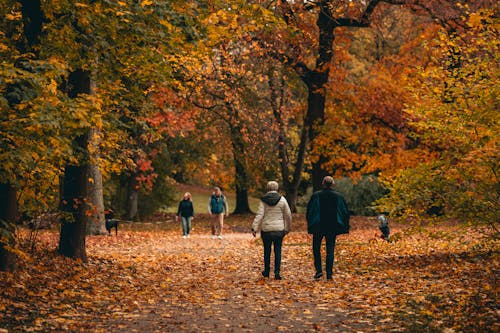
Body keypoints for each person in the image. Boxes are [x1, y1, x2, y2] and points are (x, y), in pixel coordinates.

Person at [306, 176, 350, 280]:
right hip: (332, 226)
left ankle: (319, 270)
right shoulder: (338, 197)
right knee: (330, 249)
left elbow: (310, 211)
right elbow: (345, 212)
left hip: (318, 226)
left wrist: (310, 223)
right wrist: (345, 225)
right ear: (333, 184)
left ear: (323, 183)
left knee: (316, 248)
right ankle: (329, 274)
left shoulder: (316, 196)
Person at [252, 181, 292, 280]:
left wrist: (254, 228)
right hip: (279, 229)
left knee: (267, 251)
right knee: (278, 251)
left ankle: (266, 271)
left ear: (268, 188)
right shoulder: (282, 200)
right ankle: (277, 273)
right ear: (277, 188)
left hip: (267, 229)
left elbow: (259, 214)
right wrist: (287, 228)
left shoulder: (263, 200)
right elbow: (288, 215)